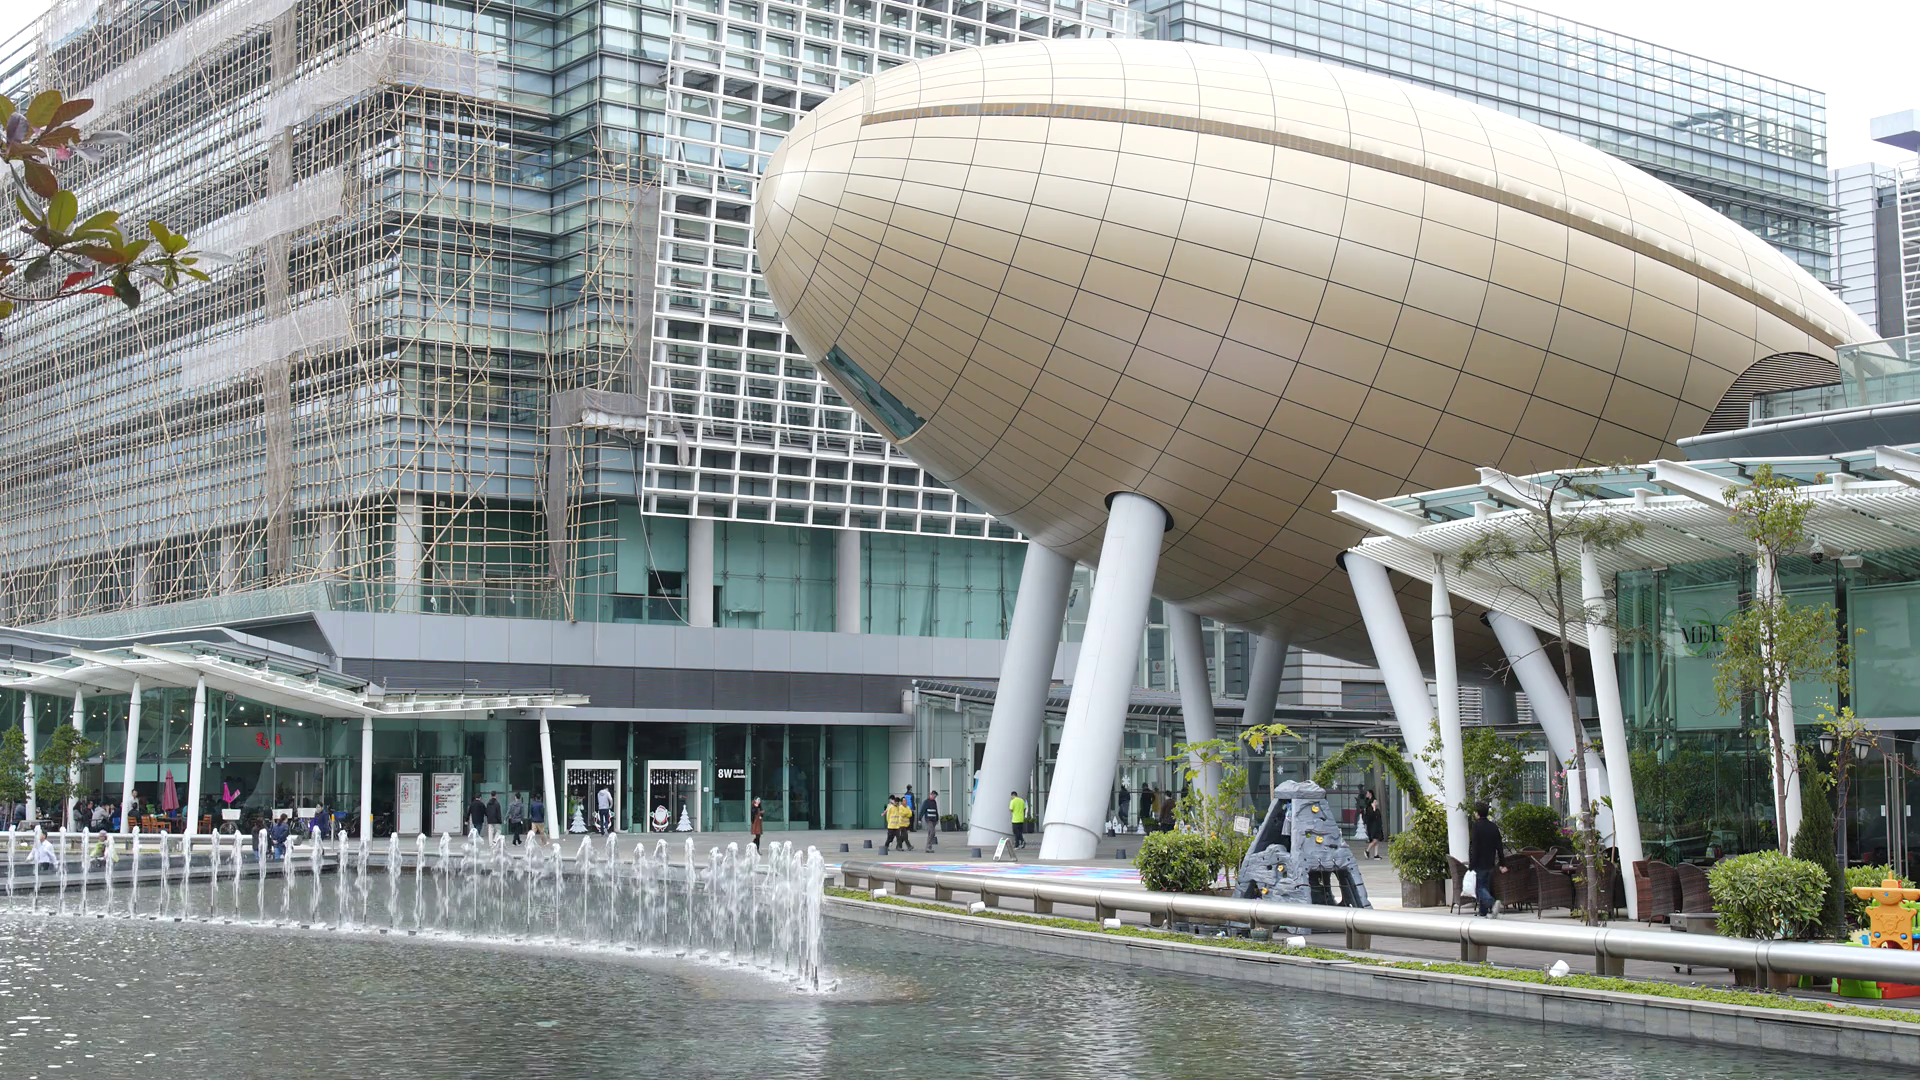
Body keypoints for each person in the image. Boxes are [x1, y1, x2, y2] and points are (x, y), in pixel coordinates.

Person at [1468, 801, 1508, 917]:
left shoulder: (1476, 827)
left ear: (1477, 813)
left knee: (1479, 888)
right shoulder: (1493, 827)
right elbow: (1499, 846)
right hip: (1490, 862)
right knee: (1485, 886)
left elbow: (1475, 847)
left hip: (1479, 862)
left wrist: (1472, 863)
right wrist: (1502, 862)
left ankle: (1493, 902)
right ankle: (1483, 911)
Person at [1359, 790, 1384, 860]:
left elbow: (1377, 816)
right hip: (1373, 825)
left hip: (1376, 825)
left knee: (1376, 839)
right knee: (1375, 839)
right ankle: (1367, 850)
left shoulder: (1375, 808)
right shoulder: (1370, 807)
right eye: (1375, 802)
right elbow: (1370, 815)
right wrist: (1373, 808)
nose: (1376, 803)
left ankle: (1376, 854)